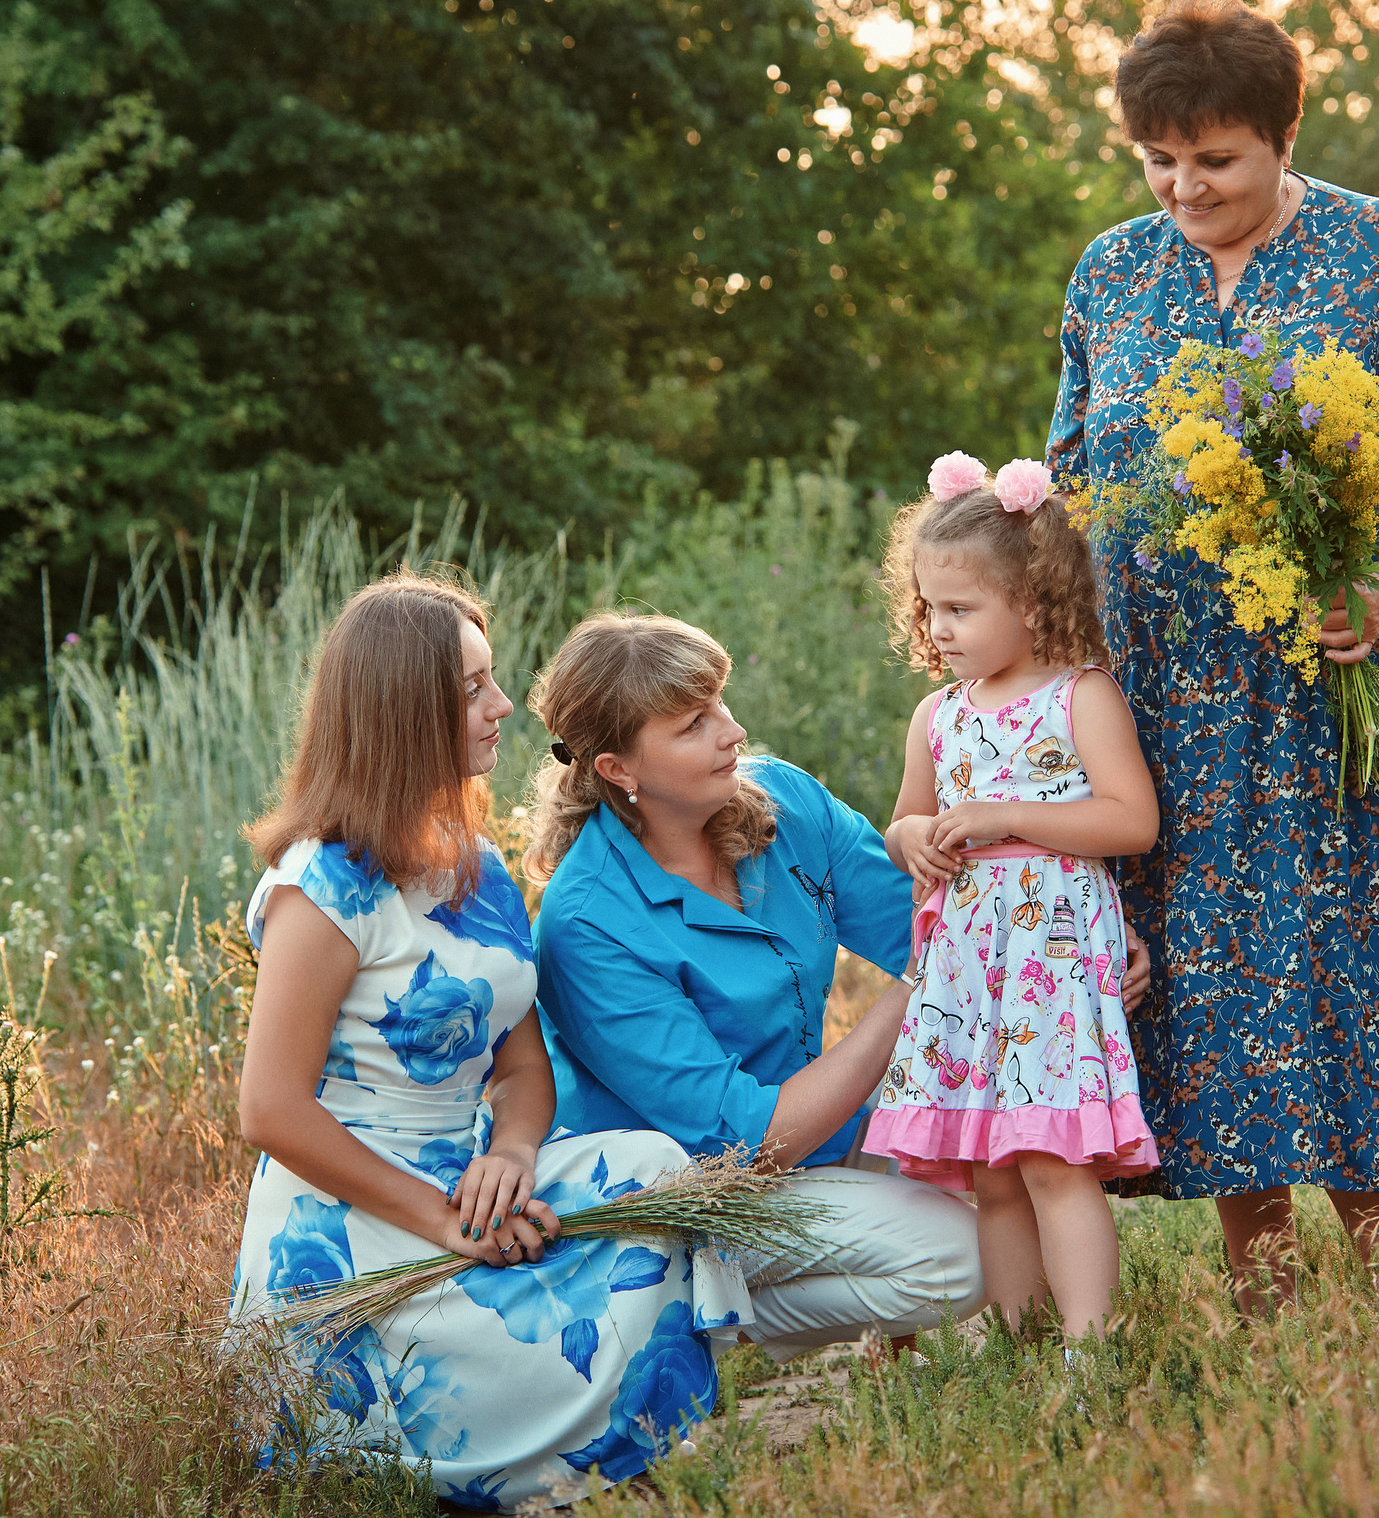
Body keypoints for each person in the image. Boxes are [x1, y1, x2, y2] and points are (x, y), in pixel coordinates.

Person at [1045, 0, 1379, 1313]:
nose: (1184, 185)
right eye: (1160, 158)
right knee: (1213, 982)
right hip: (1169, 708)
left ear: (1279, 137)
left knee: (1355, 958)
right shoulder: (1111, 271)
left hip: (1341, 682)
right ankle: (1264, 1283)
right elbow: (1079, 485)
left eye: (1216, 159)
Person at [225, 575, 749, 1513]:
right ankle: (501, 1462)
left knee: (660, 1172)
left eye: (490, 679)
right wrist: (440, 1222)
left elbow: (520, 1066)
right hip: (350, 1215)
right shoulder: (324, 886)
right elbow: (270, 1109)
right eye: (472, 689)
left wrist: (510, 1152)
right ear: (403, 711)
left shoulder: (480, 866)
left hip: (470, 1177)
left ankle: (615, 1447)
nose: (503, 706)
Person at [530, 613, 1089, 1361]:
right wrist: (916, 989)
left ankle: (908, 1332)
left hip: (805, 1134)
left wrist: (1078, 954)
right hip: (686, 1196)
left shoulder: (785, 803)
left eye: (721, 702)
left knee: (995, 1147)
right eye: (694, 724)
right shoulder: (587, 921)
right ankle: (696, 1323)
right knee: (962, 1258)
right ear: (617, 770)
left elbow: (930, 920)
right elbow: (743, 1144)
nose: (733, 731)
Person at [864, 452, 1161, 1344]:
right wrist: (914, 837)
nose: (939, 628)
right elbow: (905, 823)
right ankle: (1018, 1340)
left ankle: (1088, 1349)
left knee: (1047, 1157)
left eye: (961, 608)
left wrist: (1004, 813)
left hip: (1049, 951)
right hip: (964, 960)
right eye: (929, 608)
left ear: (1032, 603)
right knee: (987, 1168)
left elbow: (1131, 821)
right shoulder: (939, 714)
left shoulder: (1081, 697)